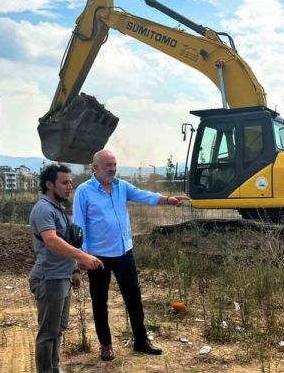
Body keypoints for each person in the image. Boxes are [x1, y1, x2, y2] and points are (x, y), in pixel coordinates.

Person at [73, 150, 183, 361]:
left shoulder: (121, 187)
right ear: (94, 168)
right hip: (98, 257)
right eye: (107, 165)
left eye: (114, 164)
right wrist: (81, 256)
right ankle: (106, 345)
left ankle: (141, 340)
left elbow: (144, 195)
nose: (112, 169)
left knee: (133, 298)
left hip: (124, 253)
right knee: (100, 301)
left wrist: (167, 199)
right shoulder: (84, 191)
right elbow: (79, 226)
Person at [29, 164, 104, 373]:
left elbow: (66, 239)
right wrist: (82, 257)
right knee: (48, 333)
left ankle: (54, 369)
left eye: (70, 182)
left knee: (58, 329)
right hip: (49, 278)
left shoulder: (58, 208)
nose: (69, 186)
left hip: (62, 277)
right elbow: (51, 241)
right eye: (64, 182)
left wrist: (74, 270)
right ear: (49, 184)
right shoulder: (43, 209)